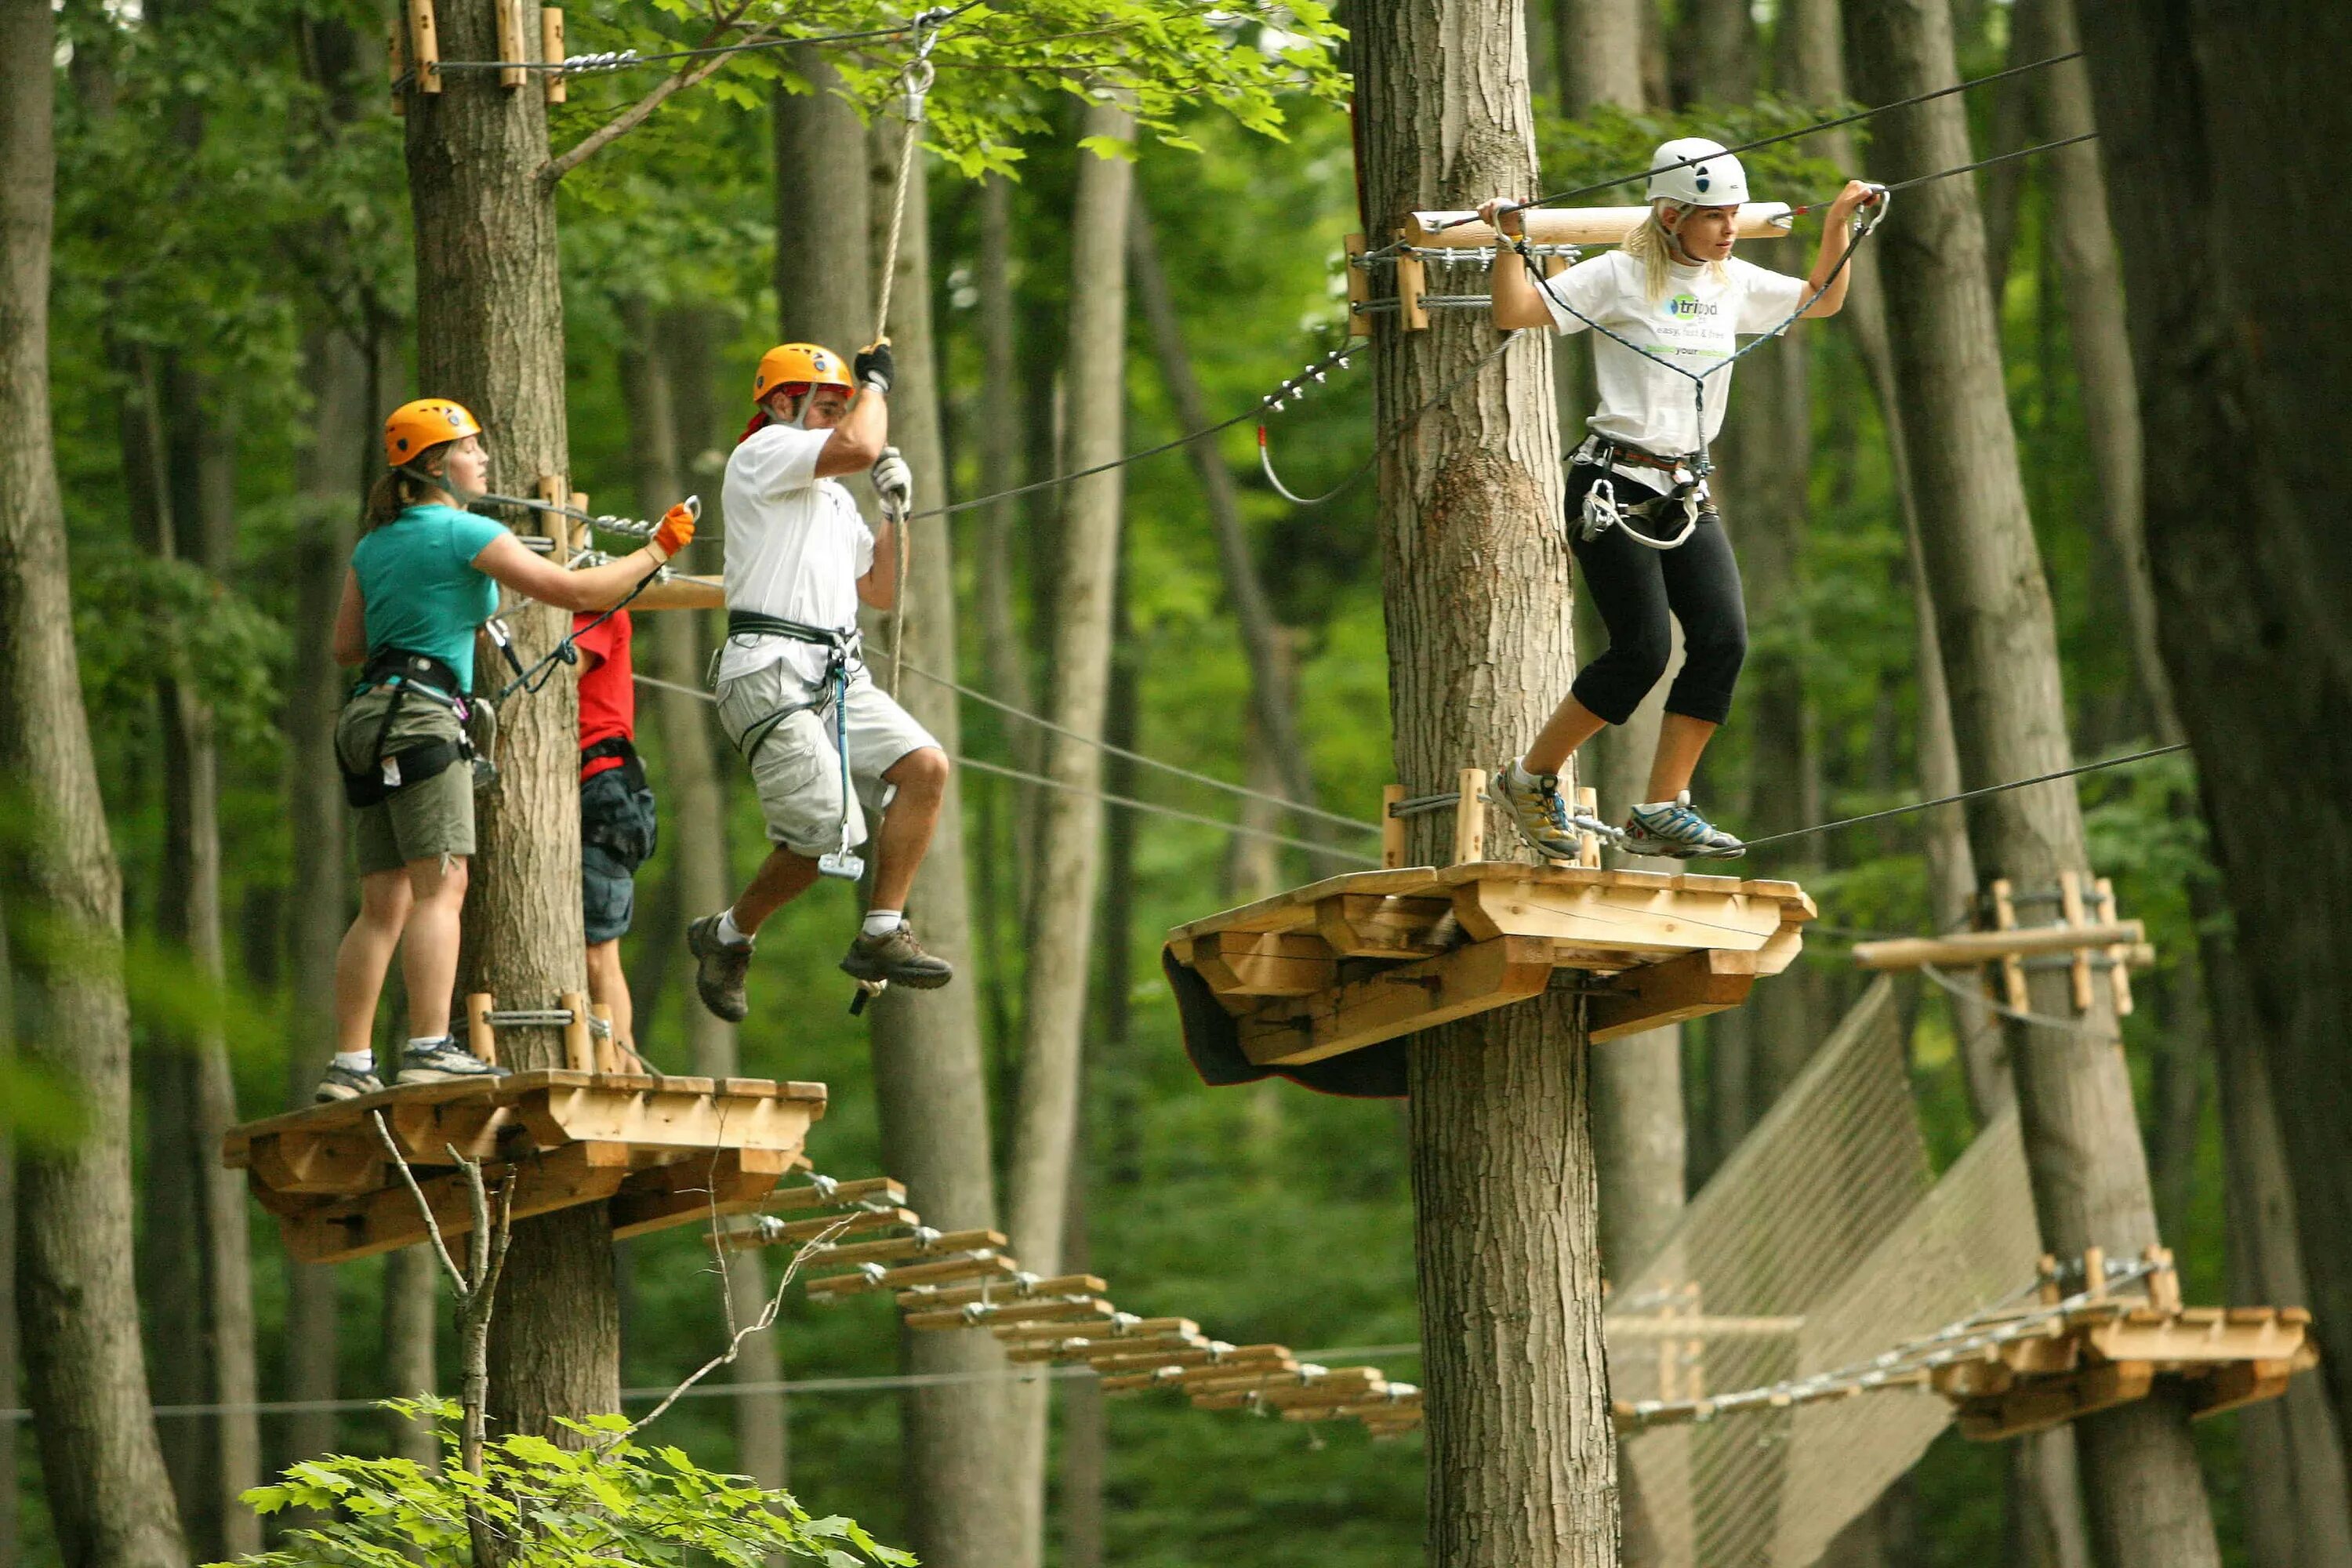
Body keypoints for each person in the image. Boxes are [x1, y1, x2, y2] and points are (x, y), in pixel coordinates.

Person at [1476, 139, 1881, 860]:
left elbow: (1821, 299)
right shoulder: (1619, 276)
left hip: (1685, 486)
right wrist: (1512, 242)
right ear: (1669, 216)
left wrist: (1838, 225)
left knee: (1723, 640)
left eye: (1731, 215)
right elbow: (1515, 310)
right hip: (1614, 481)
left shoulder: (1731, 280)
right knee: (1642, 651)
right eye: (1712, 217)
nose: (1728, 229)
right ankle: (1529, 779)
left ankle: (1661, 807)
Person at [315, 397, 697, 1102]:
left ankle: (349, 1064)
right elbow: (574, 588)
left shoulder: (375, 544)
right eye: (471, 449)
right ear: (438, 465)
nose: (483, 460)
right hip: (423, 721)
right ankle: (430, 1046)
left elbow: (347, 646)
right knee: (443, 886)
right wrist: (657, 551)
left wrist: (423, 611)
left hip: (368, 718)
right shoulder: (464, 532)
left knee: (382, 904)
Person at [684, 339, 954, 1023]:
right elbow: (861, 445)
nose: (841, 420)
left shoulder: (832, 500)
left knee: (925, 766)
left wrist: (896, 513)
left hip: (837, 670)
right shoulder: (764, 453)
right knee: (829, 834)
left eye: (845, 408)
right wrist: (877, 389)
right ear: (783, 402)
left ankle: (881, 931)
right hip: (770, 669)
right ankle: (728, 934)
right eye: (828, 407)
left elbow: (883, 589)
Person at [575, 604, 655, 1065]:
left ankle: (621, 1067)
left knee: (596, 952)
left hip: (607, 792)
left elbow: (556, 677)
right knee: (595, 952)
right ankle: (618, 1064)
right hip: (594, 789)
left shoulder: (593, 607)